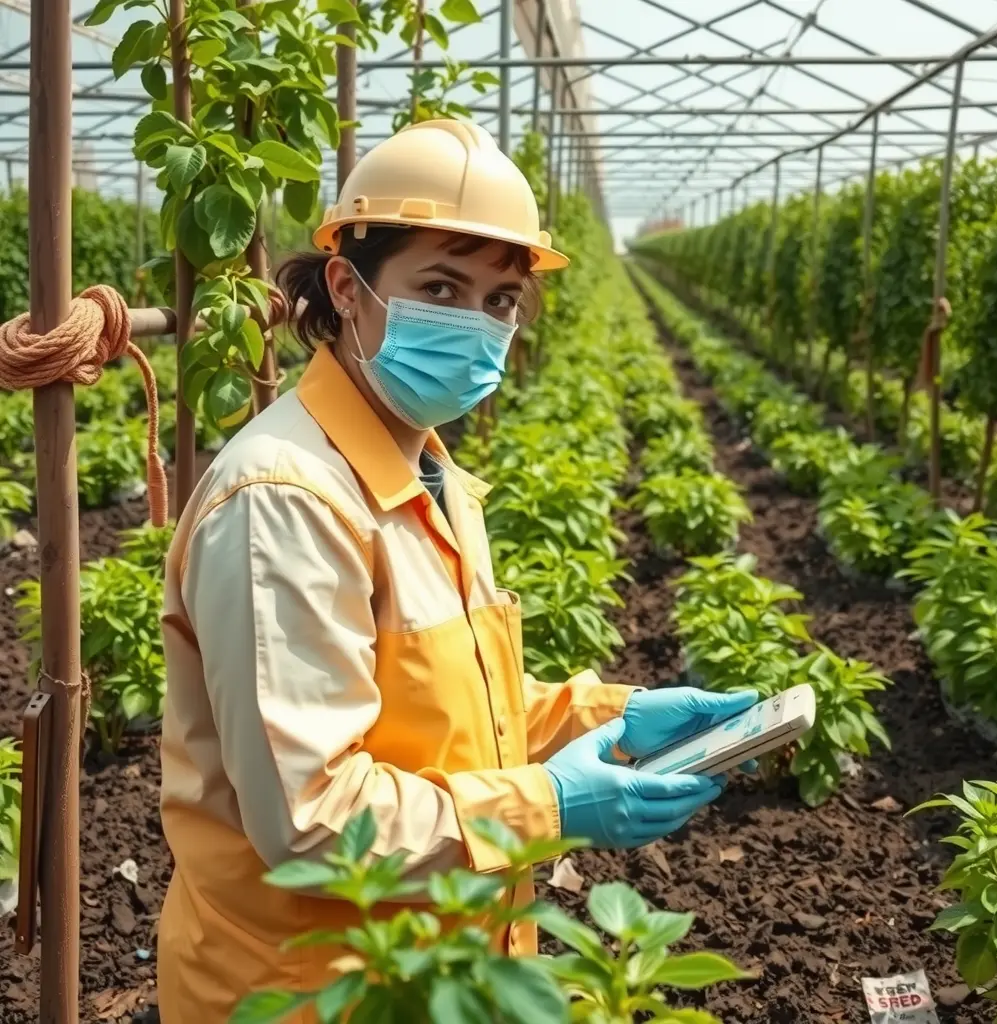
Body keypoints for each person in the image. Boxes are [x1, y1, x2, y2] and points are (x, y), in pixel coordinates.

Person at [156, 118, 756, 1023]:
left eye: (502, 300)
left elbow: (440, 713)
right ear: (346, 291)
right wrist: (546, 806)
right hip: (316, 992)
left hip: (433, 972)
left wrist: (609, 714)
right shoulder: (287, 498)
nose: (479, 325)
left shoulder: (421, 466)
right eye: (441, 286)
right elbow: (310, 817)